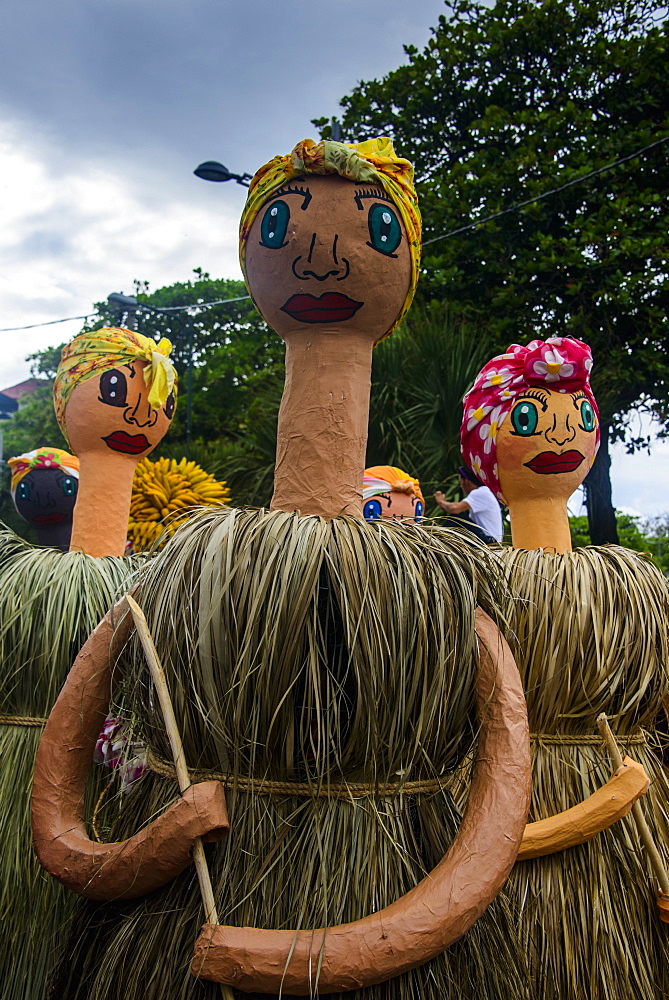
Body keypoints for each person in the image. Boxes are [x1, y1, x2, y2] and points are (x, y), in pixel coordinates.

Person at [434, 465, 503, 543]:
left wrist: (440, 501)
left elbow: (455, 509)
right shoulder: (484, 492)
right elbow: (452, 507)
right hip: (487, 539)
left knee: (456, 518)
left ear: (466, 481)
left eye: (461, 483)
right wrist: (443, 504)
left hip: (489, 541)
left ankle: (437, 541)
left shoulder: (481, 492)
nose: (461, 486)